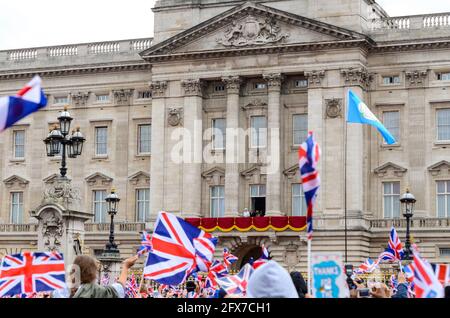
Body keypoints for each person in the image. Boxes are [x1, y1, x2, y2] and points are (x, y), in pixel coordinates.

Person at [53, 255, 138, 298]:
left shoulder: (59, 292)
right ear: (92, 272)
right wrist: (125, 267)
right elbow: (119, 288)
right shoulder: (94, 289)